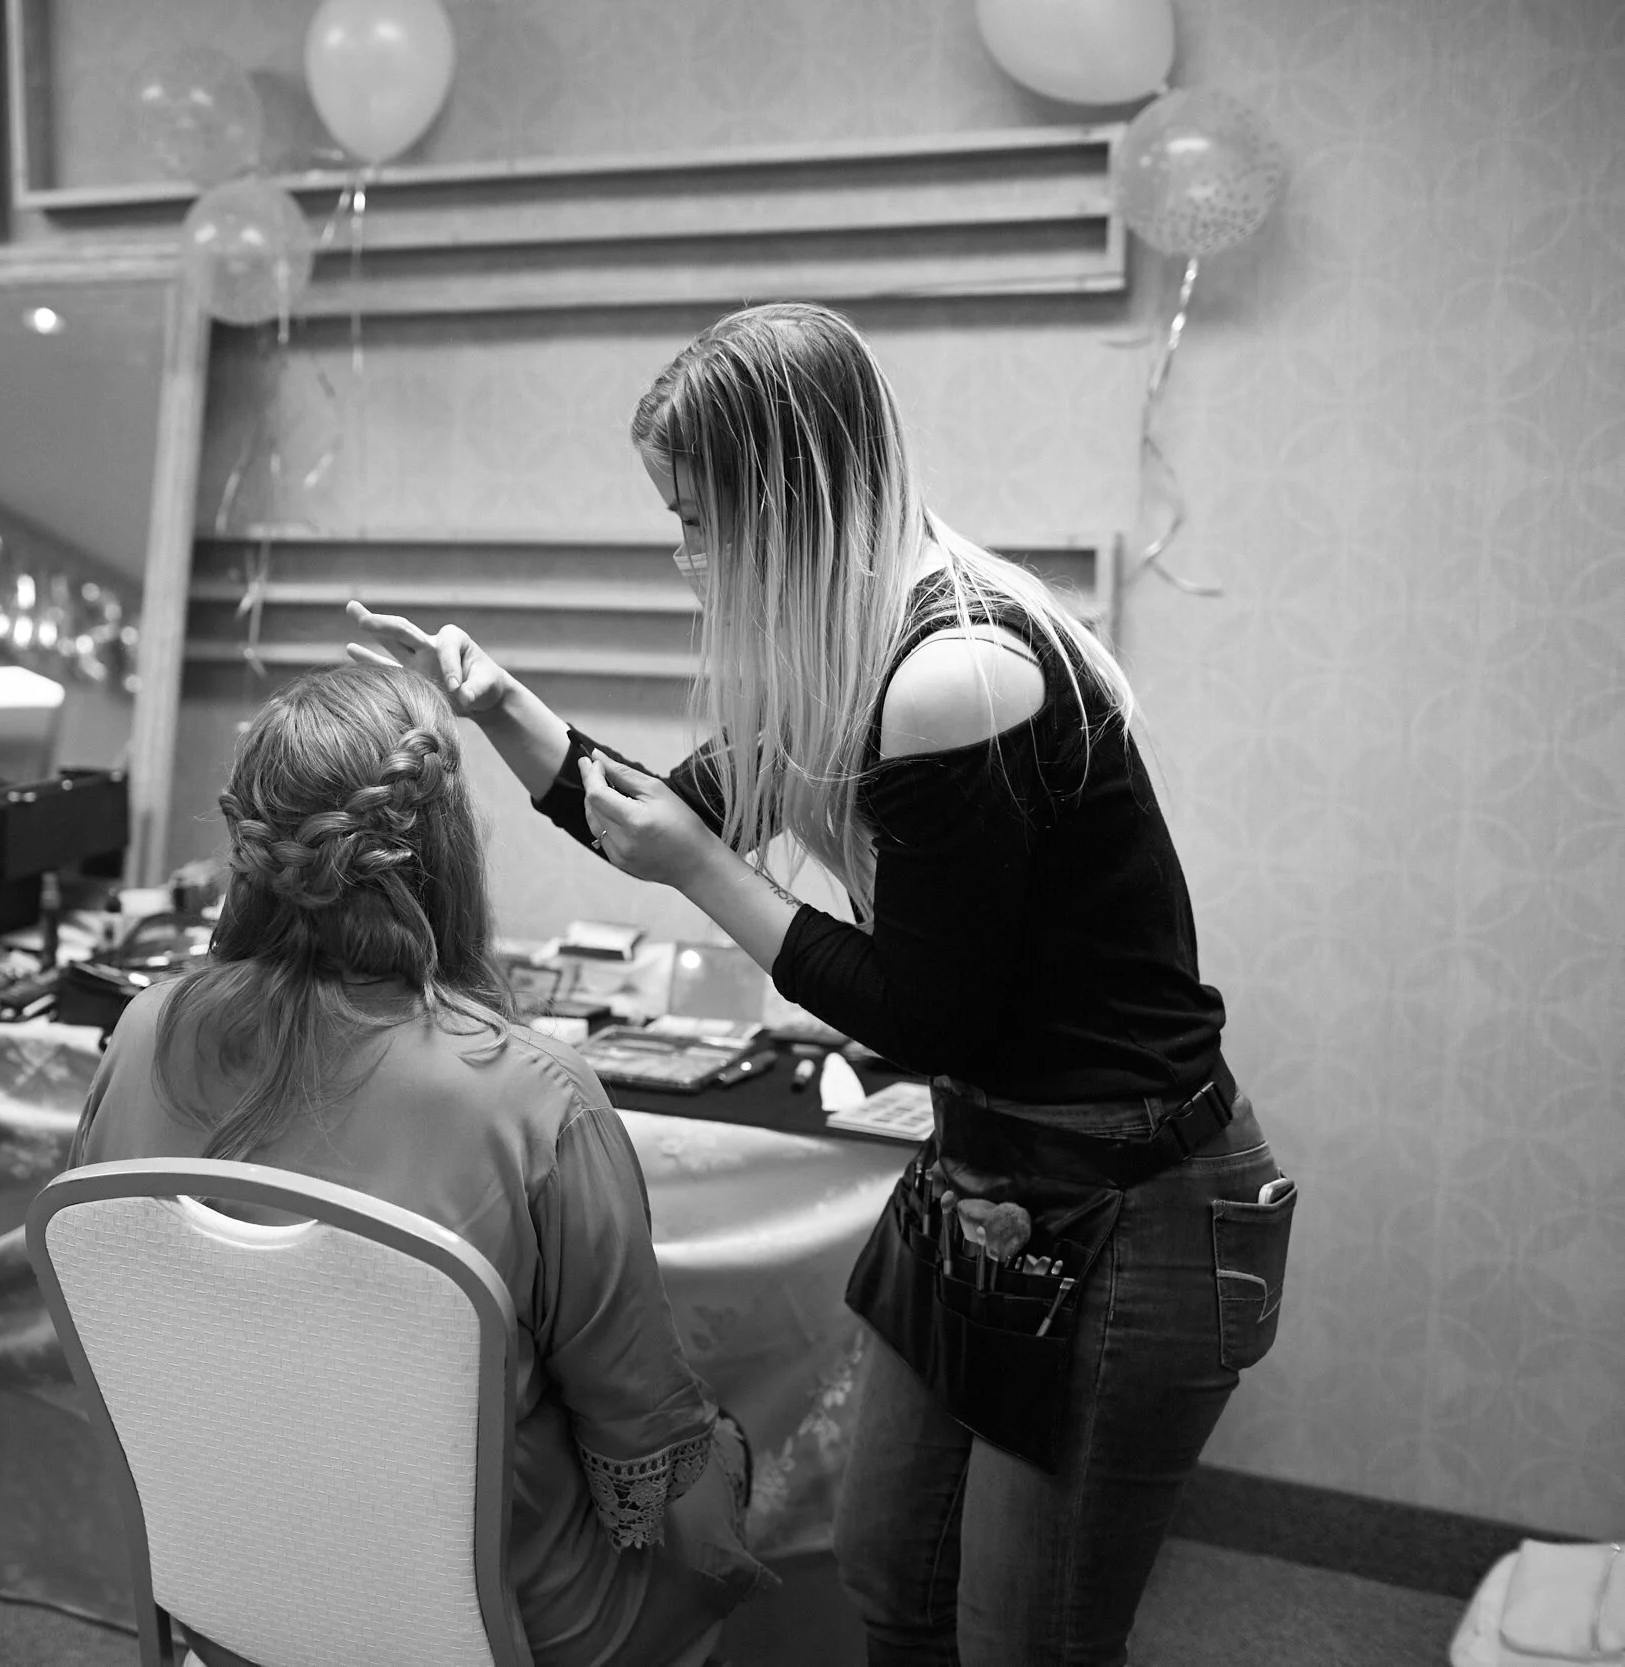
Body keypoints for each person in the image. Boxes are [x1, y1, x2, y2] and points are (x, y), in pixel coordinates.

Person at [346, 302, 1295, 1666]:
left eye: (697, 523)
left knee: (1022, 1635)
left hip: (1132, 1199)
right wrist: (496, 701)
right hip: (990, 1173)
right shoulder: (845, 643)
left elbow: (923, 1012)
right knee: (888, 1569)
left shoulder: (956, 671)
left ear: (786, 499)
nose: (686, 557)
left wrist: (701, 874)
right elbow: (663, 814)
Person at [76, 661, 772, 1667]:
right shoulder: (534, 1099)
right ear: (446, 845)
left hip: (223, 1586)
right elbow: (637, 1443)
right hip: (494, 1623)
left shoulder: (143, 1032)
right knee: (714, 1454)